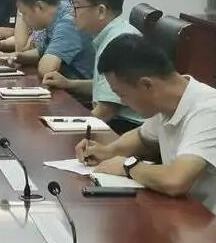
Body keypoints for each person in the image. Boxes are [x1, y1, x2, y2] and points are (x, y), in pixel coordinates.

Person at [76, 34, 216, 214]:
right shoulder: (166, 103)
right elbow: (141, 138)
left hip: (206, 220)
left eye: (122, 94)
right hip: (182, 211)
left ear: (147, 85)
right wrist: (107, 151)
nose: (122, 102)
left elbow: (176, 180)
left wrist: (128, 166)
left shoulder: (208, 110)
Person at [43, 0, 144, 134]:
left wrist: (67, 131)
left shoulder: (119, 43)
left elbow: (106, 110)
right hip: (116, 122)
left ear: (101, 11)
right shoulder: (112, 33)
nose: (72, 14)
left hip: (125, 127)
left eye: (76, 7)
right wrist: (68, 83)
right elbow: (104, 89)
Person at [0, 0, 94, 79]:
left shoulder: (67, 23)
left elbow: (47, 69)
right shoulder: (57, 10)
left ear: (39, 7)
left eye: (24, 13)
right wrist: (14, 56)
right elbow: (41, 51)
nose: (23, 19)